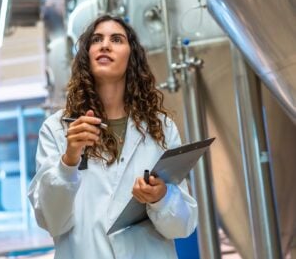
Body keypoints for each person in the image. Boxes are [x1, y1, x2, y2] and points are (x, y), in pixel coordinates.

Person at [28, 15, 198, 259]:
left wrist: (161, 198)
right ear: (87, 54)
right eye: (97, 40)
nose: (105, 45)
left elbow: (183, 226)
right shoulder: (57, 129)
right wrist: (68, 161)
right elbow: (51, 221)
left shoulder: (160, 127)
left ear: (132, 58)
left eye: (116, 39)